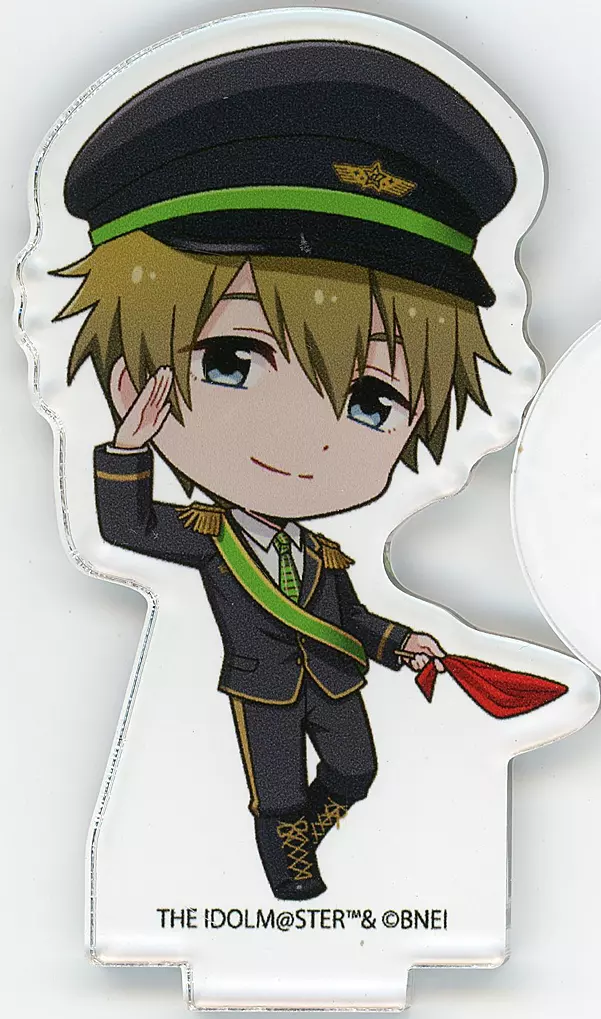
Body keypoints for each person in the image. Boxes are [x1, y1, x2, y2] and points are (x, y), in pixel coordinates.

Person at [54, 39, 517, 900]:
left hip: (336, 680)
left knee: (359, 773)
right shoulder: (208, 537)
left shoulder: (323, 556)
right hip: (263, 693)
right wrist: (128, 449)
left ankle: (309, 831)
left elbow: (350, 616)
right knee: (275, 799)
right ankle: (289, 882)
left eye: (371, 400)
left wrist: (401, 643)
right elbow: (126, 526)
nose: (305, 439)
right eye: (230, 360)